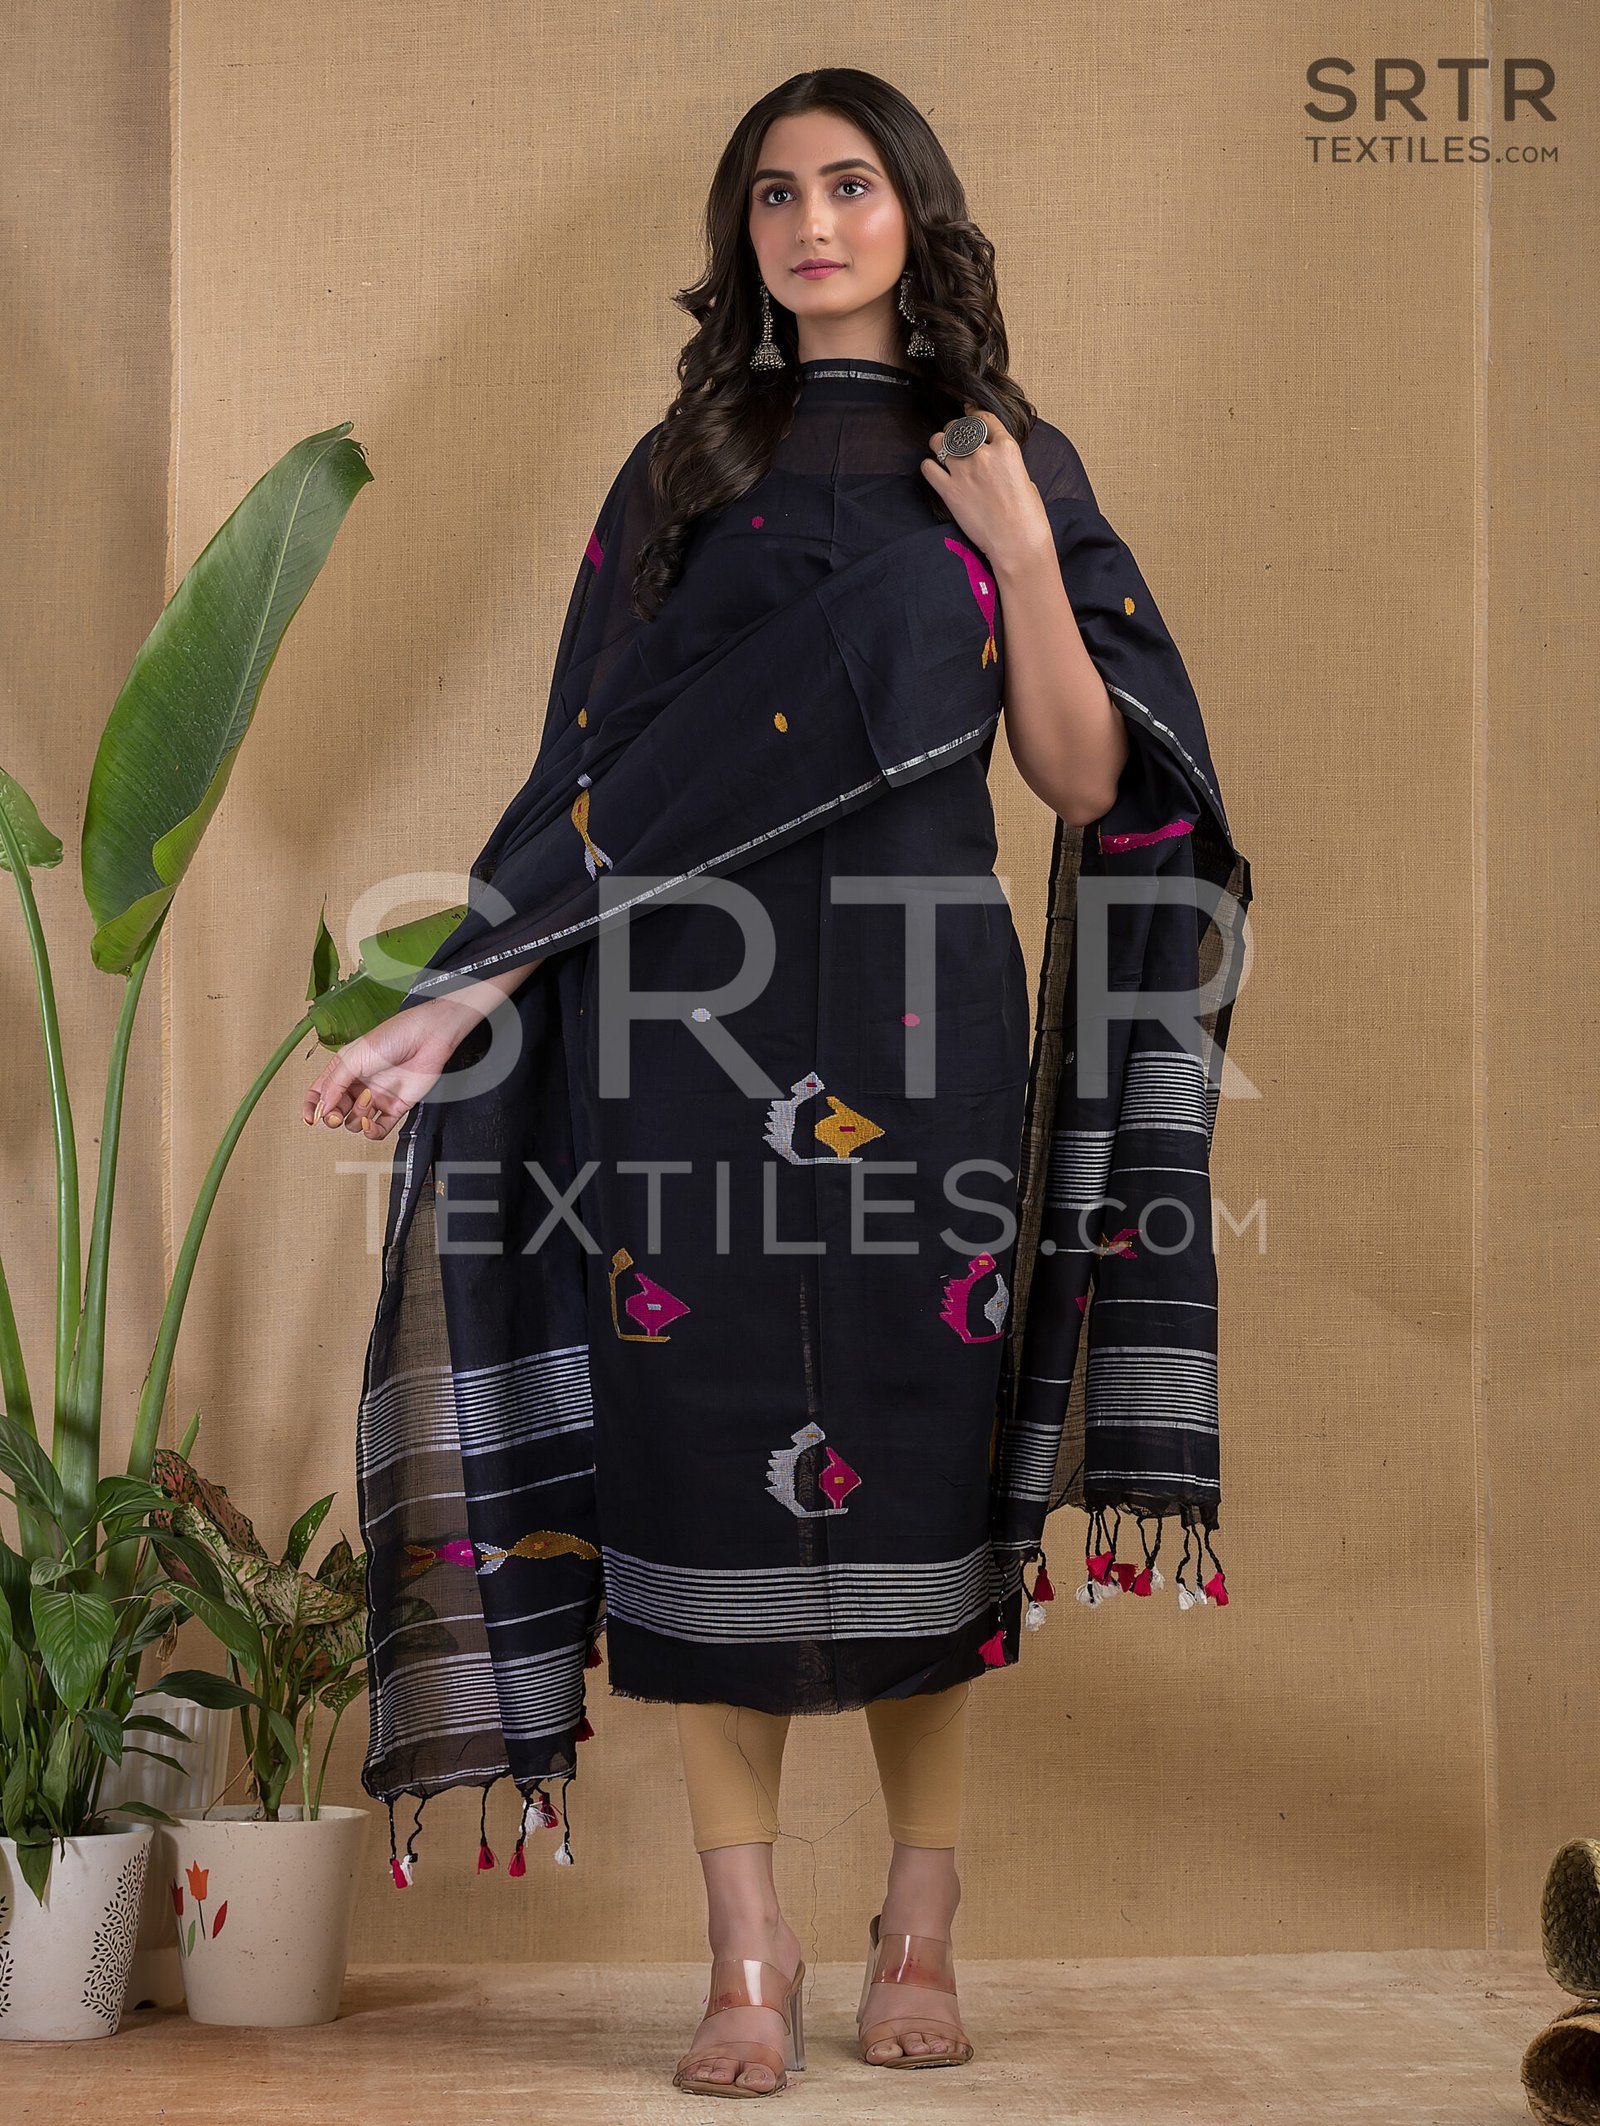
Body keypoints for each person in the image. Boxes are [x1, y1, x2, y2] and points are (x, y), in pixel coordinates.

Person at [306, 68, 1248, 2099]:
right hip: (682, 1032)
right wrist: (454, 995)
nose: (812, 225)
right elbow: (590, 789)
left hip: (926, 1020)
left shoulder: (1004, 458)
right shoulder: (686, 469)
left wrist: (1019, 550)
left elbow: (1087, 779)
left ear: (915, 212)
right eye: (773, 196)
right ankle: (745, 1943)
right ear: (742, 235)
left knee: (914, 1457)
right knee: (694, 1446)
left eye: (850, 186)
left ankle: (921, 1910)